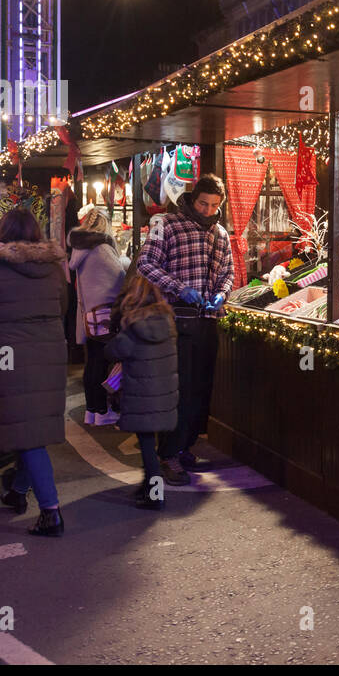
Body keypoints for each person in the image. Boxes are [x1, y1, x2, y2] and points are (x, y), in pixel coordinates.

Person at [0, 208, 68, 537]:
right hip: (49, 351)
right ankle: (17, 491)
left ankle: (50, 512)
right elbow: (63, 306)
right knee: (31, 426)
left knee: (25, 427)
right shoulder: (52, 267)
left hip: (8, 353)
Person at [136, 174, 233, 484]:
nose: (207, 210)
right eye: (203, 203)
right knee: (178, 389)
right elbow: (146, 264)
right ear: (193, 199)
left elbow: (229, 272)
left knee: (201, 388)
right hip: (175, 320)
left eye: (214, 205)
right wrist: (178, 288)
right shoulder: (168, 224)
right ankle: (169, 453)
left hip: (207, 321)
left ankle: (185, 445)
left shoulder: (220, 233)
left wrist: (222, 292)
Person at [105, 269, 179, 510]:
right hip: (164, 396)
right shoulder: (167, 321)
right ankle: (148, 485)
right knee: (150, 443)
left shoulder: (133, 325)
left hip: (141, 397)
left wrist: (118, 312)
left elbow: (112, 351)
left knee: (147, 445)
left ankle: (155, 494)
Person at [68, 208, 128, 425]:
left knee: (93, 363)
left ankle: (92, 410)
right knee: (103, 364)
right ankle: (103, 411)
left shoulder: (81, 248)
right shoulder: (101, 248)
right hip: (106, 315)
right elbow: (120, 278)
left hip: (90, 315)